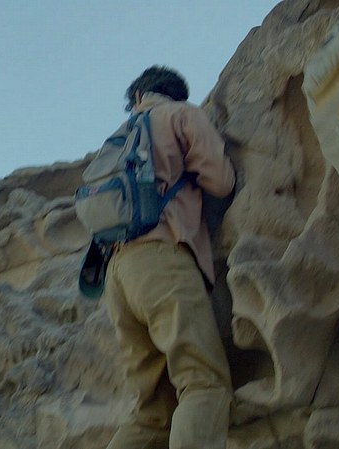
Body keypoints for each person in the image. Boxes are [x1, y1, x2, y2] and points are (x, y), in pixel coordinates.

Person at [102, 66, 236, 449]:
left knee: (152, 413)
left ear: (137, 96)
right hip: (163, 262)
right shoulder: (180, 114)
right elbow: (221, 180)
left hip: (118, 276)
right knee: (204, 384)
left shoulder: (117, 139)